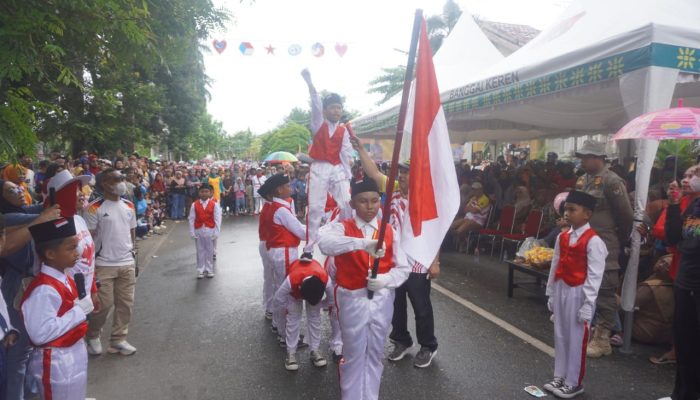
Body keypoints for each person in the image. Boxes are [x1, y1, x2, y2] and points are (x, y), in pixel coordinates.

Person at [352, 139, 441, 368]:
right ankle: (401, 340)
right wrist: (361, 149)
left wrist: (435, 261)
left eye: (407, 173)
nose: (402, 176)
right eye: (401, 172)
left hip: (418, 261)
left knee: (421, 307)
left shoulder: (425, 202)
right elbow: (373, 172)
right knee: (396, 306)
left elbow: (435, 232)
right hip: (394, 262)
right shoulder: (392, 193)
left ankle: (428, 346)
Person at [318, 178, 409, 400]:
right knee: (354, 354)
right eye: (363, 201)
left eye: (375, 201)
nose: (370, 207)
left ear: (381, 202)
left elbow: (404, 268)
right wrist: (361, 244)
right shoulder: (342, 227)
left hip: (382, 299)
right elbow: (325, 243)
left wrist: (386, 280)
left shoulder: (389, 230)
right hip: (352, 299)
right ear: (352, 204)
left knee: (375, 352)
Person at [21, 217, 94, 400]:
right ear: (51, 254)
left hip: (72, 351)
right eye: (70, 248)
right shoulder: (44, 289)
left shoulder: (65, 276)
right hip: (56, 360)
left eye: (76, 245)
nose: (78, 252)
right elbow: (39, 333)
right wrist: (78, 312)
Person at [543, 191, 608, 399]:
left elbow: (595, 275)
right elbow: (555, 265)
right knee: (561, 334)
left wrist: (589, 303)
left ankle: (574, 382)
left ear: (587, 214)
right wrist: (551, 292)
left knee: (577, 337)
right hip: (562, 288)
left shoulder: (594, 241)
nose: (567, 214)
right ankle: (560, 375)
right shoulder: (563, 237)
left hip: (579, 292)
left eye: (572, 210)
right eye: (566, 210)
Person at [574, 140, 633, 358]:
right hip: (583, 241)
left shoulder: (611, 181)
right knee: (586, 286)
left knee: (605, 290)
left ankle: (602, 338)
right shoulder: (582, 180)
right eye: (583, 156)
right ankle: (591, 330)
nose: (583, 159)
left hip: (605, 241)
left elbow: (625, 215)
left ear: (599, 158)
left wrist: (619, 237)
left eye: (587, 156)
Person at [83, 169, 138, 356]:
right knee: (103, 305)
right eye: (116, 179)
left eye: (122, 178)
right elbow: (88, 239)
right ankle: (92, 335)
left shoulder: (129, 205)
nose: (121, 182)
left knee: (125, 304)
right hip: (103, 265)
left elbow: (131, 234)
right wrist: (90, 268)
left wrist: (134, 257)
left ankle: (118, 339)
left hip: (126, 262)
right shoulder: (93, 208)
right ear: (105, 183)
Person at [300, 69, 353, 262]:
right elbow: (315, 102)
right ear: (325, 110)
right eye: (332, 107)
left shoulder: (343, 130)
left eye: (339, 107)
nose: (336, 110)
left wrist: (349, 177)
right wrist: (310, 82)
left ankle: (347, 237)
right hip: (320, 166)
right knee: (315, 208)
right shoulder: (318, 123)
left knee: (347, 202)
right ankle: (308, 248)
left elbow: (346, 153)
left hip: (336, 167)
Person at [658, 171, 700, 400]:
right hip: (686, 281)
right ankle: (682, 394)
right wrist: (674, 204)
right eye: (687, 174)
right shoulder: (692, 207)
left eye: (696, 174)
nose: (688, 178)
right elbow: (673, 237)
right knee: (685, 341)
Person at [263, 174, 306, 345]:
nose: (291, 188)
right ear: (279, 189)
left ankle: (277, 325)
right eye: (288, 186)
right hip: (285, 252)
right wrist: (321, 230)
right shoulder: (281, 209)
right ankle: (286, 333)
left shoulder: (273, 206)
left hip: (276, 251)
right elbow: (301, 232)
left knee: (277, 288)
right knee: (287, 292)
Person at [273, 259, 333, 371]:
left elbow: (332, 300)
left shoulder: (326, 279)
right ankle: (291, 353)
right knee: (293, 318)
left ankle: (315, 350)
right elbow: (278, 299)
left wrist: (319, 305)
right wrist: (289, 307)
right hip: (294, 290)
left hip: (312, 287)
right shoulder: (291, 280)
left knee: (315, 317)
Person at [187, 184, 221, 279]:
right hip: (199, 230)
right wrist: (192, 232)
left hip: (210, 229)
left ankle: (209, 269)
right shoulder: (195, 204)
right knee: (200, 250)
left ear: (210, 193)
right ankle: (200, 270)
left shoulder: (214, 204)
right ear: (199, 193)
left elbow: (217, 219)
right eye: (202, 192)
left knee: (209, 251)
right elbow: (191, 219)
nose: (204, 193)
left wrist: (216, 232)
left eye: (206, 191)